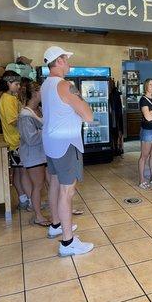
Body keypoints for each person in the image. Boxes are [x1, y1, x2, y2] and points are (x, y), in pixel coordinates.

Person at [41, 46, 94, 256]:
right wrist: (80, 100)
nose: (69, 62)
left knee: (55, 183)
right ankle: (67, 242)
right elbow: (88, 115)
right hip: (66, 144)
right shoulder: (65, 85)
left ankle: (56, 225)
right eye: (67, 58)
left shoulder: (45, 85)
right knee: (67, 191)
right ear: (59, 61)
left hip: (51, 142)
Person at [17, 81, 51, 226]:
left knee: (49, 183)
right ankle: (38, 216)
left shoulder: (40, 109)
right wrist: (47, 131)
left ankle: (54, 211)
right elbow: (30, 139)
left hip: (43, 153)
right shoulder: (25, 115)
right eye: (42, 91)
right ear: (36, 93)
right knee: (38, 185)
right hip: (33, 155)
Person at [0, 70, 32, 209]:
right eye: (16, 84)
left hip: (13, 142)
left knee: (17, 171)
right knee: (24, 172)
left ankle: (23, 199)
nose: (19, 87)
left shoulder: (9, 98)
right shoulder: (7, 99)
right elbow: (13, 120)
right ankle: (31, 201)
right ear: (8, 83)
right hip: (17, 141)